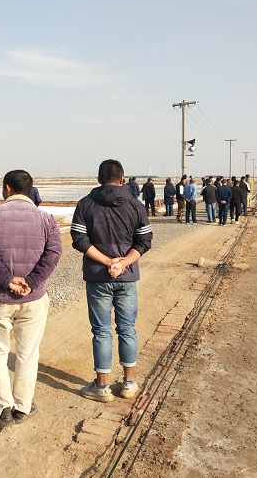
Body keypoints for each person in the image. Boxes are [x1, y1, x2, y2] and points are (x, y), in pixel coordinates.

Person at [0, 170, 62, 430]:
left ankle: (2, 409)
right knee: (27, 354)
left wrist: (7, 280)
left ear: (7, 188)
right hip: (34, 298)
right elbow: (53, 253)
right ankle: (23, 407)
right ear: (29, 189)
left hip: (0, 297)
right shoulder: (46, 219)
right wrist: (32, 281)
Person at [71, 159, 152, 403]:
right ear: (122, 180)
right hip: (126, 276)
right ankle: (128, 383)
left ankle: (102, 387)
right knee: (127, 328)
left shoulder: (86, 203)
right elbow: (144, 241)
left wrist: (107, 262)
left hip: (98, 276)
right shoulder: (135, 205)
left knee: (101, 330)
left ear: (98, 179)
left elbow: (79, 239)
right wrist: (123, 263)